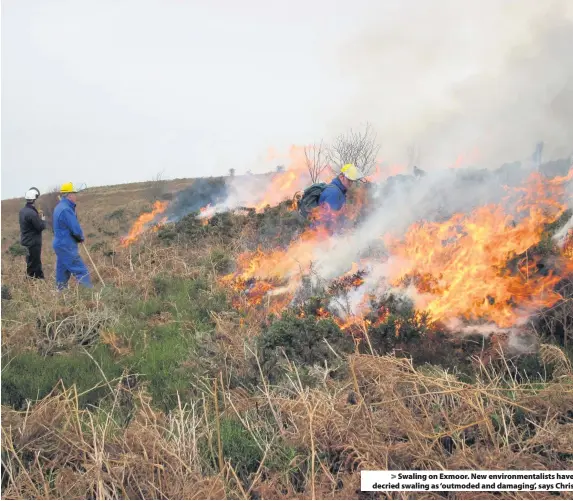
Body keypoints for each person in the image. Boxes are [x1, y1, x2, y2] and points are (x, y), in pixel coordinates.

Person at [52, 182, 92, 289]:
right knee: (81, 271)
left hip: (60, 244)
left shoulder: (59, 207)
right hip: (66, 245)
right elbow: (75, 228)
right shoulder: (66, 209)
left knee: (62, 273)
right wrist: (80, 237)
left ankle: (61, 295)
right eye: (74, 193)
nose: (76, 196)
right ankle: (89, 295)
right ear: (69, 195)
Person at [310, 163, 365, 232]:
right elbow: (327, 221)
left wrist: (349, 223)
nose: (350, 183)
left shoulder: (339, 191)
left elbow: (337, 214)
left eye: (352, 181)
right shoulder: (334, 193)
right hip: (320, 235)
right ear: (341, 177)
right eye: (349, 180)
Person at [19, 187, 46, 279]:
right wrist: (42, 218)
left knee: (30, 263)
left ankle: (31, 281)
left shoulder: (23, 211)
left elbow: (29, 224)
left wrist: (36, 216)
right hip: (33, 243)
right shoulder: (31, 213)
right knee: (35, 263)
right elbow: (40, 227)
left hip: (25, 241)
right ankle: (38, 281)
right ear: (34, 199)